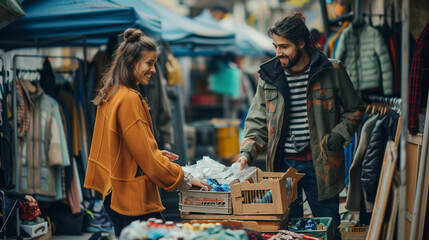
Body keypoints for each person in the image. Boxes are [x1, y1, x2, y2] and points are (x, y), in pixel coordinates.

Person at [236, 13, 364, 239]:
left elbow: (354, 109)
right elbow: (257, 122)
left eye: (284, 46)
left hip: (322, 166)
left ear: (301, 43)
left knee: (329, 229)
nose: (278, 53)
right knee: (286, 231)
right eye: (275, 46)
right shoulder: (269, 76)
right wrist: (246, 153)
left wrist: (338, 135)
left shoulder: (331, 71)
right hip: (283, 170)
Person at [84, 28, 210, 237]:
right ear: (132, 63)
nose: (153, 69)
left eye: (154, 63)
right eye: (149, 63)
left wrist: (157, 155)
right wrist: (184, 178)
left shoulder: (112, 93)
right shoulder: (129, 99)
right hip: (132, 199)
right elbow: (147, 159)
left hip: (115, 193)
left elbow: (121, 149)